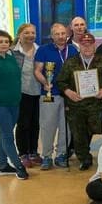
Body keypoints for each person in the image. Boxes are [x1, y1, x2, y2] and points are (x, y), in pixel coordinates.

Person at [57, 33, 102, 170]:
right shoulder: (71, 62)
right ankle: (84, 158)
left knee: (91, 130)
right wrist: (68, 92)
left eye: (90, 45)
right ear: (80, 46)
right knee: (78, 132)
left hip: (95, 104)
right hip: (75, 104)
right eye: (84, 45)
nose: (87, 47)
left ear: (94, 45)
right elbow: (61, 81)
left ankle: (85, 151)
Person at [34, 23, 79, 170]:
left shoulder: (73, 50)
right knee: (48, 126)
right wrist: (45, 83)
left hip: (68, 95)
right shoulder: (43, 50)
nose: (60, 36)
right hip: (50, 94)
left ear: (67, 34)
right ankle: (46, 156)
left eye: (63, 33)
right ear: (52, 36)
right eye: (57, 34)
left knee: (66, 127)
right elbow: (37, 70)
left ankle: (61, 155)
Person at [0, 30, 29, 179]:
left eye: (6, 42)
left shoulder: (10, 58)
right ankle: (19, 166)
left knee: (4, 134)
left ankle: (2, 166)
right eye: (0, 42)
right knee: (8, 136)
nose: (4, 44)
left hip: (13, 103)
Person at [12, 23, 40, 168]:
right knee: (23, 123)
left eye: (33, 33)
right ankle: (23, 153)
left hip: (38, 91)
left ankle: (33, 151)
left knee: (35, 123)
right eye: (26, 33)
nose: (30, 35)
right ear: (19, 35)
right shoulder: (12, 52)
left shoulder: (39, 50)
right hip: (21, 92)